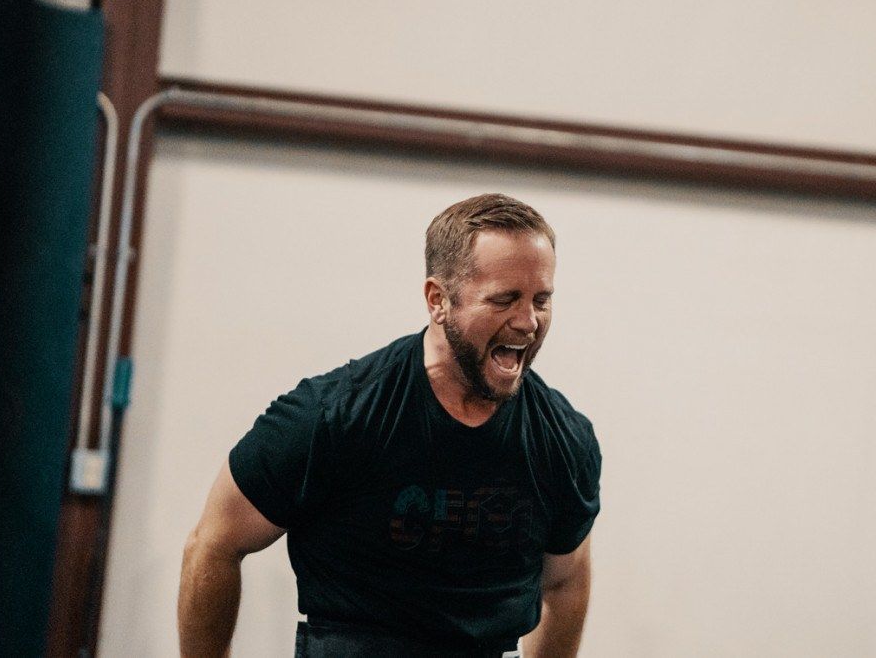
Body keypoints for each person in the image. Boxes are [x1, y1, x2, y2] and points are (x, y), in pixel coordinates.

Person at [178, 194, 601, 657]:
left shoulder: (562, 438)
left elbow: (565, 580)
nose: (528, 321)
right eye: (505, 299)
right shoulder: (336, 415)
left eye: (542, 299)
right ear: (438, 300)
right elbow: (214, 542)